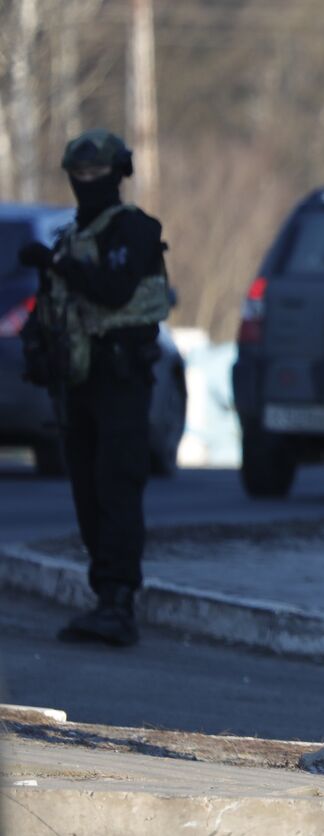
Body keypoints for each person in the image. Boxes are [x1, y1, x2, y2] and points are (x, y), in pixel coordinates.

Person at [17, 129, 171, 647]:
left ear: (118, 174)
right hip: (77, 382)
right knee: (86, 490)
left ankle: (119, 601)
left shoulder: (133, 231)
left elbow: (113, 291)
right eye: (77, 175)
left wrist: (57, 264)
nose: (86, 183)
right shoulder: (70, 235)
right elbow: (54, 310)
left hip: (121, 379)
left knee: (116, 485)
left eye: (95, 174)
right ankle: (102, 596)